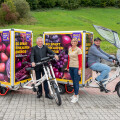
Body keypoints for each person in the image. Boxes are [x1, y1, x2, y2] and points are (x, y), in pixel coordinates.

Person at [67, 37, 82, 103]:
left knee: (76, 82)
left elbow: (80, 60)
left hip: (76, 67)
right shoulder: (70, 49)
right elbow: (68, 59)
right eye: (72, 41)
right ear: (71, 42)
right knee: (73, 81)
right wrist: (67, 67)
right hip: (71, 67)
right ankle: (76, 94)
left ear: (76, 43)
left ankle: (76, 96)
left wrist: (80, 69)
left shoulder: (78, 50)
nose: (73, 43)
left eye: (75, 41)